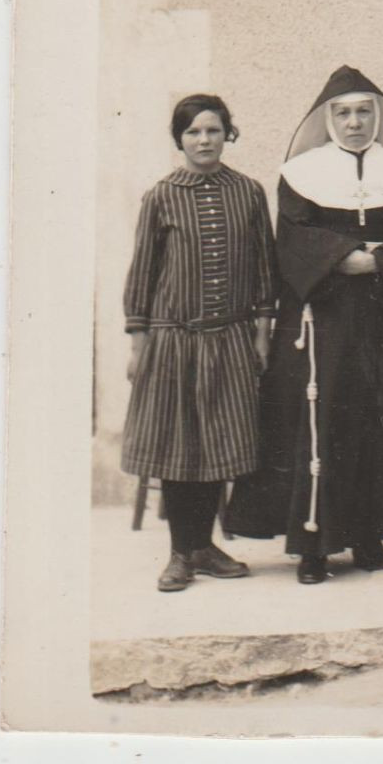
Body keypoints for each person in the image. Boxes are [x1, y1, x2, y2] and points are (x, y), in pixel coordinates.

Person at [225, 66, 383, 585]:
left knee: (378, 424)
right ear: (328, 120)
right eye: (343, 113)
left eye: (363, 111)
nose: (354, 122)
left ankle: (368, 538)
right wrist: (344, 257)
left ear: (377, 116)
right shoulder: (302, 173)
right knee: (320, 428)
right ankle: (313, 546)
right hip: (321, 319)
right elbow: (294, 238)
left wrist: (381, 260)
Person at [121, 95, 276, 592]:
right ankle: (178, 556)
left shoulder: (248, 193)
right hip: (173, 341)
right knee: (178, 446)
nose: (204, 141)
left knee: (217, 446)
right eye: (193, 132)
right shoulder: (161, 196)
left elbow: (264, 272)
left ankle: (205, 547)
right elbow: (143, 273)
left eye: (213, 131)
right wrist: (138, 341)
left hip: (229, 338)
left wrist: (262, 334)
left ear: (227, 134)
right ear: (179, 139)